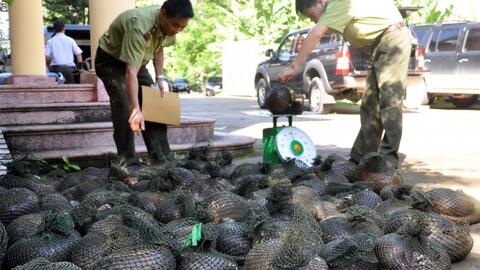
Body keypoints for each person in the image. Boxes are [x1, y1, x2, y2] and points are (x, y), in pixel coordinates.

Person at [279, 0, 411, 168]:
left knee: (389, 101)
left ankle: (389, 160)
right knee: (370, 105)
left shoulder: (338, 3)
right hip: (380, 43)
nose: (312, 20)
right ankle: (361, 157)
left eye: (311, 15)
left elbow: (317, 32)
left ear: (320, 1)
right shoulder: (338, 8)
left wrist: (294, 66)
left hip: (393, 39)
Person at [95, 0, 193, 164]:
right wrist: (136, 109)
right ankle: (127, 161)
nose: (178, 31)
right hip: (110, 61)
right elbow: (129, 72)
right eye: (175, 25)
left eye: (183, 27)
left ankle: (162, 157)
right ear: (163, 15)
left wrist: (160, 78)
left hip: (137, 62)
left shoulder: (167, 25)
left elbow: (159, 46)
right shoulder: (139, 26)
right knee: (124, 107)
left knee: (155, 103)